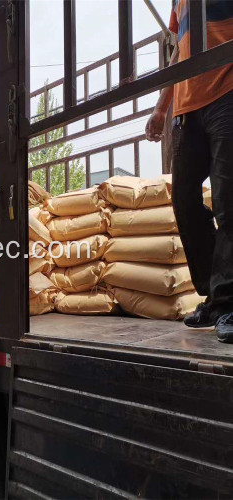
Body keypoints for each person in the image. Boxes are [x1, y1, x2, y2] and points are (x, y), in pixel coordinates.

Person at [146, 1, 233, 343]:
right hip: (187, 109)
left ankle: (226, 302)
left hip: (227, 93)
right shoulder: (178, 3)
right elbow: (178, 53)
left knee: (228, 203)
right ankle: (217, 294)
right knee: (183, 202)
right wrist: (160, 108)